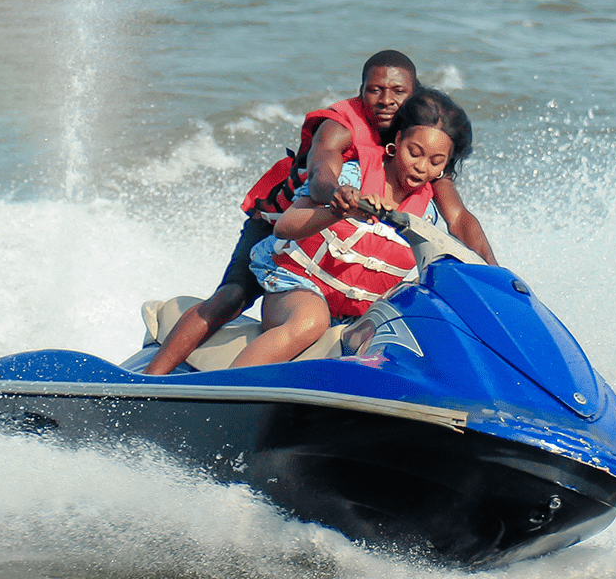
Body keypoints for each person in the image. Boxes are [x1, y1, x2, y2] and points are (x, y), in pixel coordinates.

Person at [143, 51, 495, 375]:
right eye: (374, 90)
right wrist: (343, 200)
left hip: (339, 252)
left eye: (397, 91)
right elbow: (320, 177)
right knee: (232, 297)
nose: (386, 100)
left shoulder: (428, 143)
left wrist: (498, 281)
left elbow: (460, 219)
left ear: (415, 95)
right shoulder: (343, 126)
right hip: (283, 223)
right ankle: (154, 379)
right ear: (361, 91)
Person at [229, 87, 471, 369]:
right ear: (397, 140)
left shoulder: (427, 213)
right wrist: (337, 210)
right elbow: (285, 227)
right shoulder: (351, 175)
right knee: (311, 319)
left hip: (356, 316)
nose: (421, 167)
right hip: (297, 289)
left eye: (435, 162)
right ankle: (224, 390)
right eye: (414, 153)